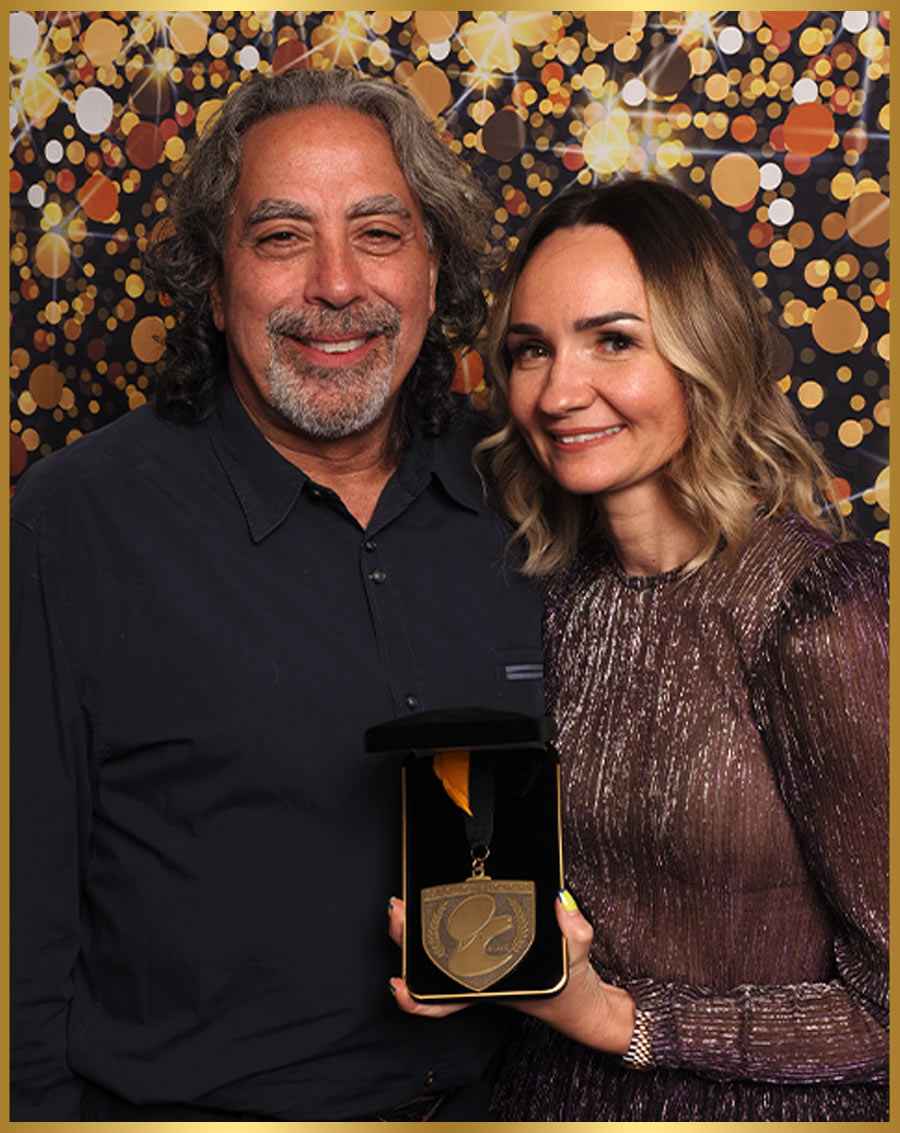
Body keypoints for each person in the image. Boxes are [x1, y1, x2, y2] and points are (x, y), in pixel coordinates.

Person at [11, 68, 545, 1120]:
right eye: (282, 236)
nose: (337, 284)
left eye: (380, 233)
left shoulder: (530, 491)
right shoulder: (73, 522)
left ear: (434, 273)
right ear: (214, 283)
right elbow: (11, 925)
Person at [389, 179, 888, 1121]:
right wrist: (481, 956)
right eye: (531, 349)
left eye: (613, 339)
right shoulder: (545, 594)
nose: (560, 391)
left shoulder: (822, 606)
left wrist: (617, 1017)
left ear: (705, 349)